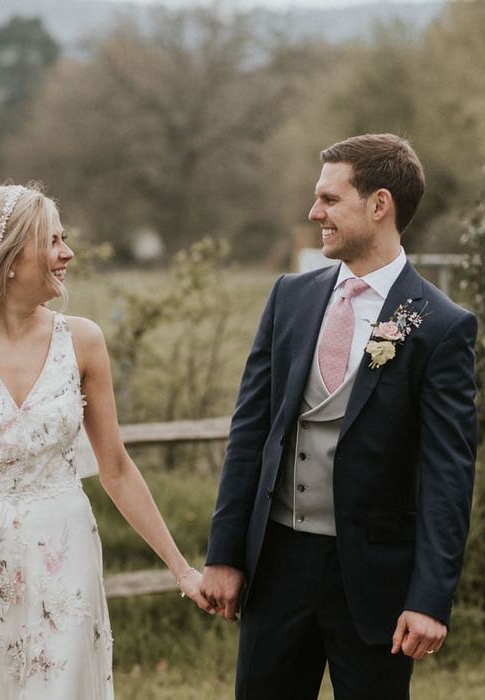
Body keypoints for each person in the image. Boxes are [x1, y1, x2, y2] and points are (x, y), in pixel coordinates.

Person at [0, 183, 211, 699]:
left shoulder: (83, 341)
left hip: (64, 552)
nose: (68, 253)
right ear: (11, 257)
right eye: (53, 241)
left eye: (65, 239)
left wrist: (183, 570)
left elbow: (117, 469)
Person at [200, 134, 477, 699]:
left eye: (330, 199)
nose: (314, 212)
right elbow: (250, 432)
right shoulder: (290, 297)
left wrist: (429, 599)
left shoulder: (441, 324)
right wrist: (224, 555)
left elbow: (449, 474)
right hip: (276, 565)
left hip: (373, 579)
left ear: (380, 205)